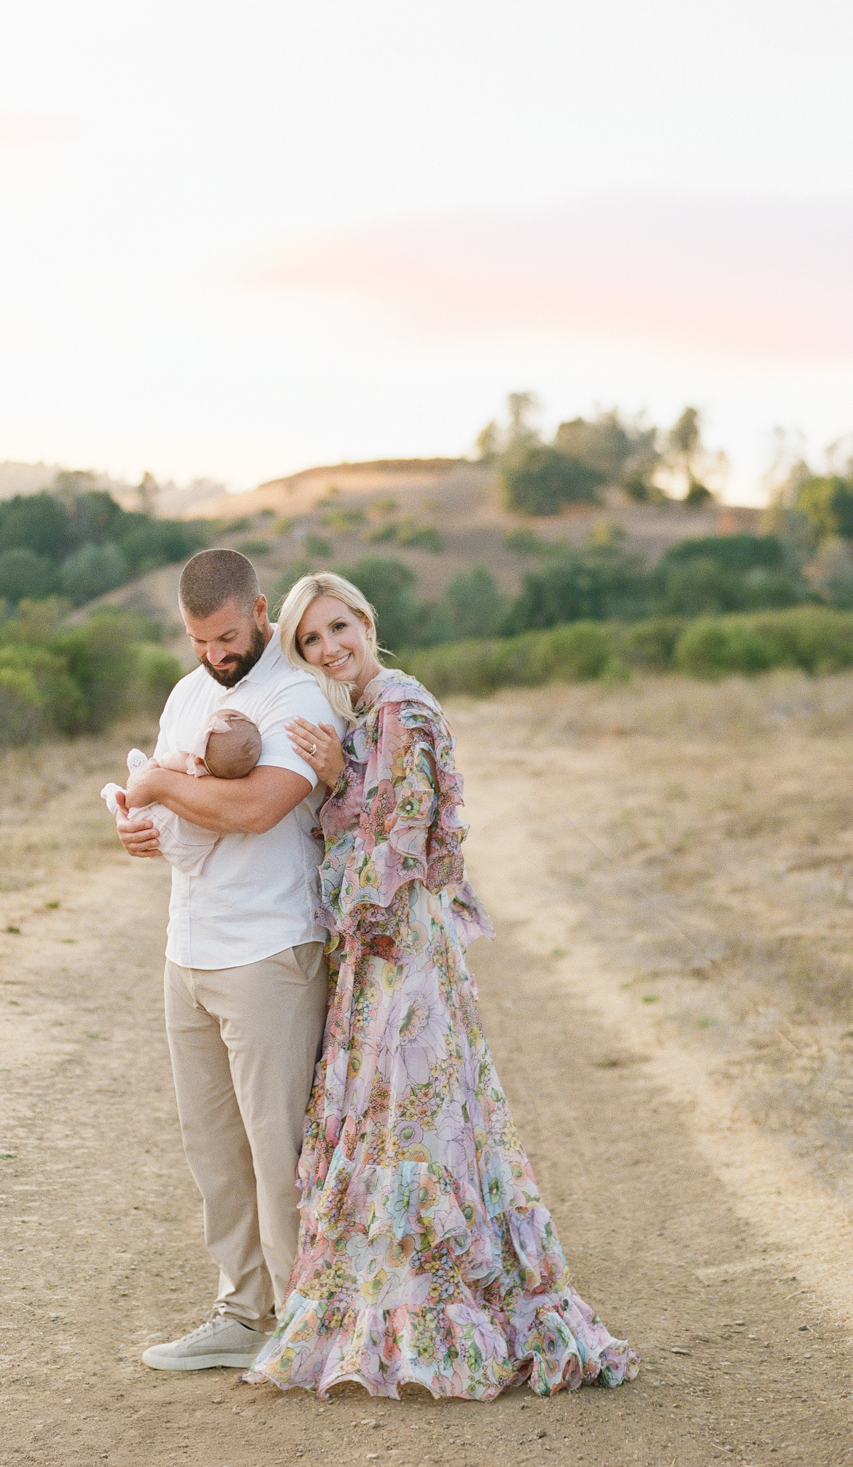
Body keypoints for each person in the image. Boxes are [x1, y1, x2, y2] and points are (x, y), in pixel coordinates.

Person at [243, 571, 639, 1399]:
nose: (329, 649)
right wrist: (338, 783)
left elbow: (400, 847)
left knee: (420, 1126)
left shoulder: (401, 710)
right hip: (380, 953)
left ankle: (444, 1313)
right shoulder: (367, 717)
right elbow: (367, 823)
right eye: (311, 640)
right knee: (400, 1121)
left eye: (339, 627)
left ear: (368, 620)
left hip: (402, 951)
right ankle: (388, 1302)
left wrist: (331, 789)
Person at [113, 549, 343, 1371]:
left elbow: (255, 807)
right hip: (190, 947)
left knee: (275, 1147)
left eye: (225, 635)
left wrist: (160, 791)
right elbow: (153, 794)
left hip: (270, 948)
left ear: (259, 608)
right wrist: (134, 823)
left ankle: (301, 1327)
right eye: (199, 640)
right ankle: (240, 1312)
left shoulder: (294, 691)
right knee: (212, 1145)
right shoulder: (186, 694)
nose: (216, 654)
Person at [102, 708, 263, 878]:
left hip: (160, 829)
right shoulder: (231, 783)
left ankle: (119, 794)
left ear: (200, 756)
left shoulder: (191, 764)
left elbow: (162, 764)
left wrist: (159, 768)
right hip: (192, 850)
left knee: (143, 792)